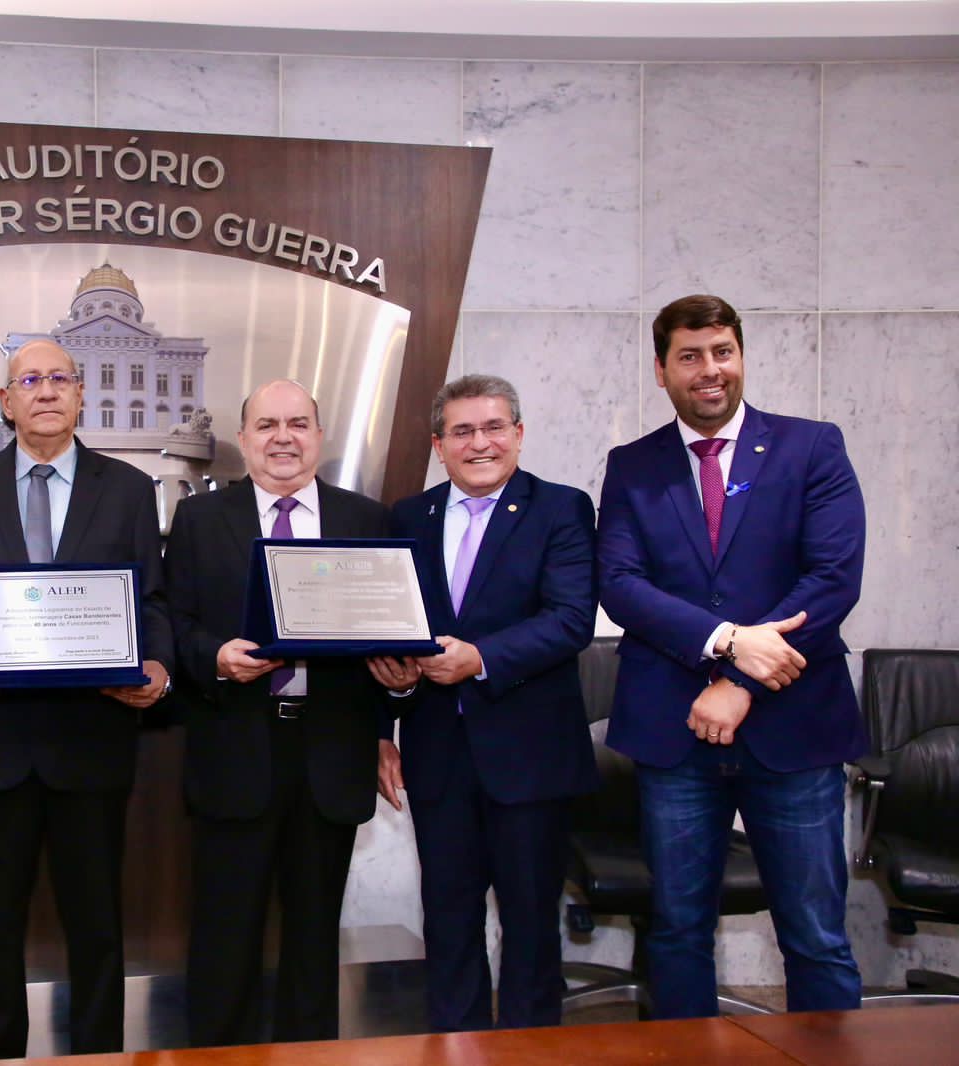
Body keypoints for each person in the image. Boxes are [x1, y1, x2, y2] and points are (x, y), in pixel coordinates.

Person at [597, 293, 867, 1017]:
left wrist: (741, 682)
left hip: (794, 727)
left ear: (741, 357)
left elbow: (833, 579)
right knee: (679, 932)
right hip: (673, 730)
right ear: (662, 371)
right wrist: (728, 643)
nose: (708, 370)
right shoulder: (632, 465)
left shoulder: (812, 446)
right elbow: (621, 585)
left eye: (722, 352)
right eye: (689, 356)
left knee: (814, 936)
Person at [0, 339, 172, 1060]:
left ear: (81, 395)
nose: (45, 391)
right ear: (6, 402)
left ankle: (99, 1054)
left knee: (97, 926)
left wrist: (155, 665)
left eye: (60, 378)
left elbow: (150, 600)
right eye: (28, 380)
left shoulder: (126, 488)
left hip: (92, 743)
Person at [371, 374, 597, 1031]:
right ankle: (456, 1047)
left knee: (530, 928)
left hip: (530, 758)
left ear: (519, 436)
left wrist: (482, 658)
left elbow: (570, 619)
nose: (480, 443)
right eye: (463, 431)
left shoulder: (561, 509)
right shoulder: (409, 517)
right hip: (439, 755)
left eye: (494, 427)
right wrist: (387, 710)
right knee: (447, 920)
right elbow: (391, 628)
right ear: (439, 445)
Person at [165, 379, 388, 1047]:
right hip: (236, 747)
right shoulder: (204, 520)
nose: (283, 437)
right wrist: (216, 656)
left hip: (332, 756)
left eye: (298, 423)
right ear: (243, 440)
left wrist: (395, 700)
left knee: (316, 942)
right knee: (225, 941)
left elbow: (391, 633)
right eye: (266, 425)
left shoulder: (367, 521)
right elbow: (174, 623)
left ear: (320, 437)